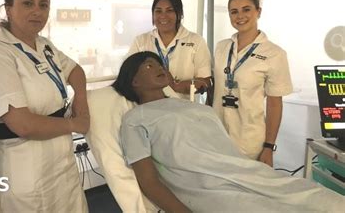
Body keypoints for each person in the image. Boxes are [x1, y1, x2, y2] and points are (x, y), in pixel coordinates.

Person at [113, 51, 344, 213]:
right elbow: (149, 181)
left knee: (324, 199)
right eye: (148, 65)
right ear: (133, 81)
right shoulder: (135, 120)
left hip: (247, 172)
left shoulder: (191, 106)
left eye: (158, 63)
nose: (159, 67)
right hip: (209, 188)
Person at [0, 0, 89, 212]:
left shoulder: (44, 45)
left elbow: (76, 71)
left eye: (43, 5)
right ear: (8, 8)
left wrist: (81, 100)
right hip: (26, 171)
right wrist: (76, 124)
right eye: (27, 3)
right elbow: (23, 125)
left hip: (62, 163)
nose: (37, 11)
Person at [213, 0, 293, 166]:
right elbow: (215, 89)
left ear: (259, 11)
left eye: (246, 9)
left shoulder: (274, 54)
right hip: (217, 137)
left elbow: (274, 104)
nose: (240, 16)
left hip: (249, 142)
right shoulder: (221, 48)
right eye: (234, 12)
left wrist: (268, 147)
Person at [127, 0, 212, 101]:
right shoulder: (141, 41)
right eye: (158, 11)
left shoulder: (196, 41)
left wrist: (175, 86)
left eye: (169, 10)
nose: (163, 16)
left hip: (184, 110)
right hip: (149, 108)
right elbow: (130, 76)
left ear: (180, 14)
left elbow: (206, 82)